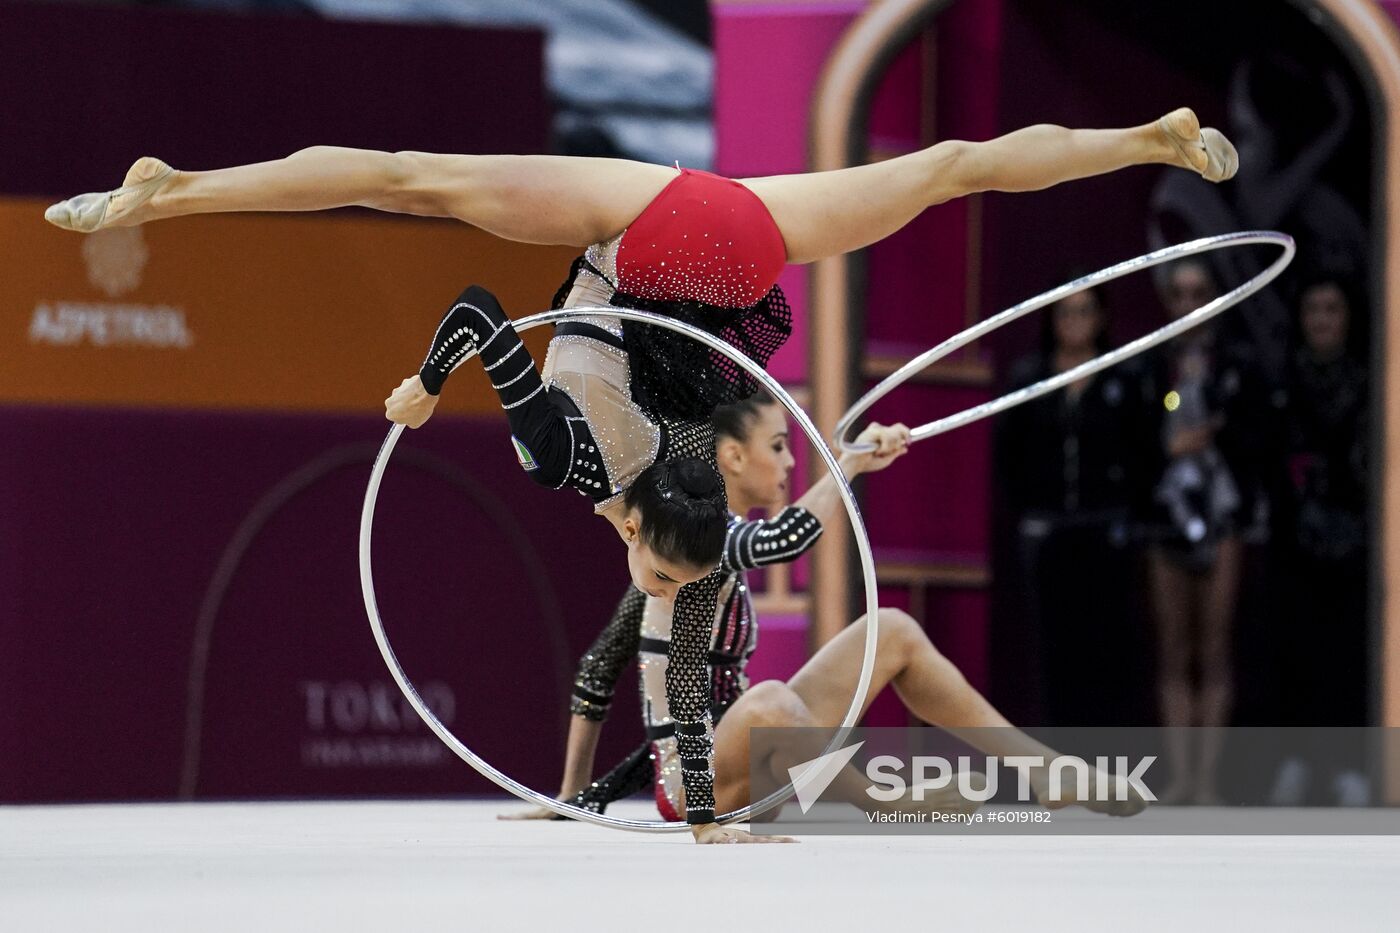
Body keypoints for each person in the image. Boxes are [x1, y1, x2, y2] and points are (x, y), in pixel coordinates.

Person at [46, 108, 1229, 840]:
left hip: (665, 234)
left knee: (407, 175)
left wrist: (573, 795)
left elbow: (503, 317)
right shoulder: (640, 482)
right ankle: (1148, 137)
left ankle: (181, 189)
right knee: (952, 166)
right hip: (719, 229)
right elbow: (534, 355)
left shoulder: (638, 483)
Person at [505, 392, 1148, 825]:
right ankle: (884, 802)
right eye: (778, 446)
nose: (788, 460)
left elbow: (596, 670)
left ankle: (1042, 769)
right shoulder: (693, 544)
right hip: (698, 786)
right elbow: (787, 539)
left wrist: (577, 798)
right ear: (732, 456)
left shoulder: (688, 547)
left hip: (758, 748)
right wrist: (850, 463)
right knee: (772, 702)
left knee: (890, 630)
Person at [996, 282, 1156, 726]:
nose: (1075, 322)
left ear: (1101, 317)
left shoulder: (1124, 376)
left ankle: (1106, 757)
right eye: (1065, 313)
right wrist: (1028, 512)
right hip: (1048, 530)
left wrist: (1128, 513)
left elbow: (1144, 452)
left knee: (1108, 647)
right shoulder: (1029, 378)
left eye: (1085, 311)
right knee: (1053, 649)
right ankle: (1056, 759)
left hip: (1106, 528)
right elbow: (1008, 455)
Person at [1145, 258, 1266, 804]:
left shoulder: (1237, 363)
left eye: (1200, 293)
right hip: (1165, 513)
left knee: (1214, 646)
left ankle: (1207, 781)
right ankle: (1180, 775)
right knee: (1174, 647)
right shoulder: (1149, 364)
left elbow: (1256, 437)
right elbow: (1132, 442)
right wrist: (1168, 445)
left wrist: (1213, 424)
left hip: (1221, 514)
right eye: (1180, 294)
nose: (1190, 306)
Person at [1268, 273, 1370, 806]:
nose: (1322, 321)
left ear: (1348, 317)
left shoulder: (1371, 381)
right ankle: (1297, 762)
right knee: (1293, 655)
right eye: (1314, 310)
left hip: (1355, 545)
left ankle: (1347, 767)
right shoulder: (1283, 380)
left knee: (1345, 658)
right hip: (1293, 543)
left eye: (1332, 309)